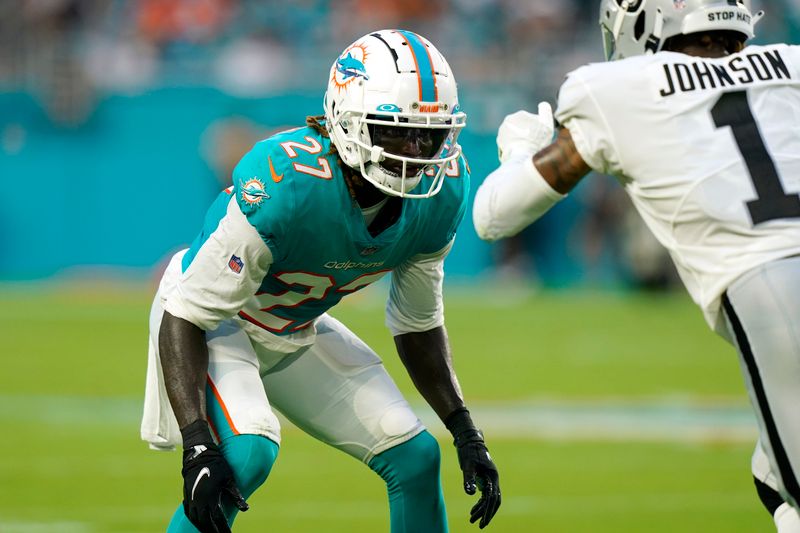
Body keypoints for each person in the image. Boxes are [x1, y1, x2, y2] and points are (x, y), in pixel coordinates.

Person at [141, 29, 501, 532]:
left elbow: (418, 323)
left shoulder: (439, 195)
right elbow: (187, 312)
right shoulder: (290, 183)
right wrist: (197, 442)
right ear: (347, 121)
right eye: (396, 131)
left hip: (292, 327)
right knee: (247, 454)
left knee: (417, 457)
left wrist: (465, 429)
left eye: (431, 133)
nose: (416, 151)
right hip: (213, 321)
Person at [472, 1, 800, 531]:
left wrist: (520, 152)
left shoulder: (614, 89)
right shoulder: (793, 64)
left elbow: (493, 216)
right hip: (774, 285)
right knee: (772, 479)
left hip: (771, 289)